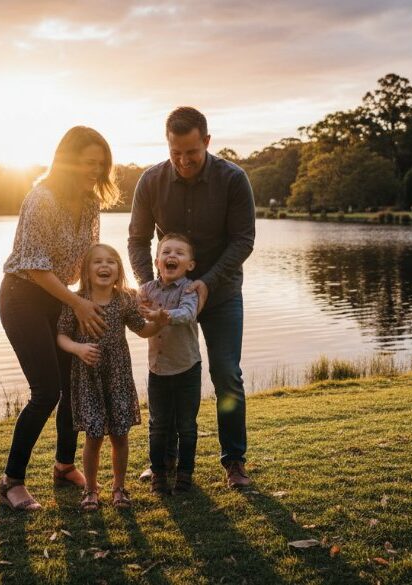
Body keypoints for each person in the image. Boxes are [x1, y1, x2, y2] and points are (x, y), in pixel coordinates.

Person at [128, 107, 256, 489]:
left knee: (226, 374)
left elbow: (243, 240)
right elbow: (137, 239)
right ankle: (164, 464)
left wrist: (207, 283)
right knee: (165, 375)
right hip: (167, 298)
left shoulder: (233, 179)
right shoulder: (151, 181)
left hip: (220, 292)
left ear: (206, 142)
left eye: (192, 153)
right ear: (167, 144)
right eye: (175, 153)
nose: (183, 161)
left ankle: (234, 462)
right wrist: (149, 285)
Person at [0, 126, 120, 511]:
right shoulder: (41, 199)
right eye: (88, 163)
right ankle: (11, 482)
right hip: (23, 298)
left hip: (64, 299)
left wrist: (111, 296)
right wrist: (79, 305)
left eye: (101, 165)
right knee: (47, 391)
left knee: (74, 386)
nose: (95, 172)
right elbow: (35, 268)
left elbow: (88, 259)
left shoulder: (89, 204)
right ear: (67, 161)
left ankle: (65, 466)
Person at [56, 244, 165, 511]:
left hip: (118, 375)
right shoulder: (76, 300)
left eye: (111, 262)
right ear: (86, 270)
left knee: (120, 434)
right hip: (88, 377)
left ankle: (119, 488)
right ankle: (90, 490)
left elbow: (143, 330)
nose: (104, 267)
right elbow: (61, 336)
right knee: (94, 435)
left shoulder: (125, 299)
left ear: (118, 270)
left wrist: (161, 321)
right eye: (97, 262)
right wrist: (78, 349)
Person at [137, 233, 201, 495]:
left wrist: (162, 315)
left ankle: (185, 474)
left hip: (187, 368)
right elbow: (135, 313)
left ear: (190, 264)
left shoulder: (190, 289)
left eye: (179, 253)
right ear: (157, 261)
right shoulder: (147, 291)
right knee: (158, 424)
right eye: (166, 252)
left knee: (186, 424)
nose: (171, 256)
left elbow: (187, 314)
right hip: (158, 370)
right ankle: (159, 474)